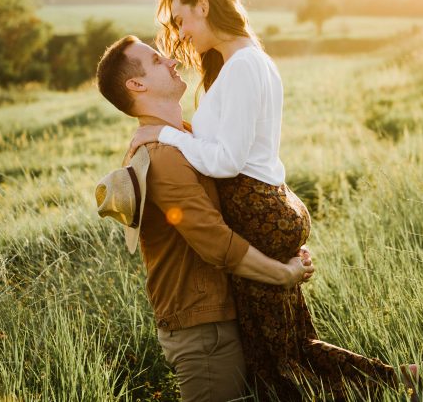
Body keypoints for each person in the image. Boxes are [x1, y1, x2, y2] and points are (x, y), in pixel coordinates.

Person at [128, 0, 423, 400]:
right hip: (265, 209)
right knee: (295, 348)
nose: (181, 31)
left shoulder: (243, 64)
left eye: (183, 18)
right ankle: (409, 378)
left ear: (204, 5)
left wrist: (164, 135)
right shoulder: (241, 61)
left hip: (257, 211)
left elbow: (226, 162)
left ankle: (405, 382)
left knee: (276, 366)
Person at [95, 35, 315, 402]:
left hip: (223, 314)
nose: (171, 61)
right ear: (137, 85)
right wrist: (283, 274)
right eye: (156, 59)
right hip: (203, 330)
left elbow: (236, 205)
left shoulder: (186, 138)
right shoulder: (162, 156)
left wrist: (282, 245)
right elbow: (215, 242)